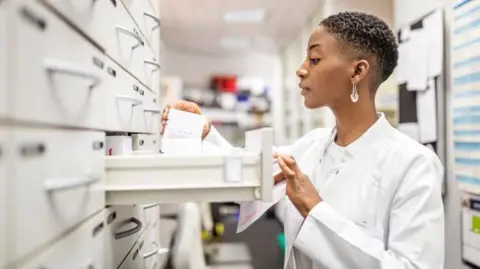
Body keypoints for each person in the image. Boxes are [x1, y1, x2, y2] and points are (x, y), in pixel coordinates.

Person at [161, 11, 444, 269]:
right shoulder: (312, 145)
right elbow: (247, 178)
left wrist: (315, 209)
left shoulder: (413, 163)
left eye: (315, 59)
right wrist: (204, 134)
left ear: (357, 71)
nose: (301, 69)